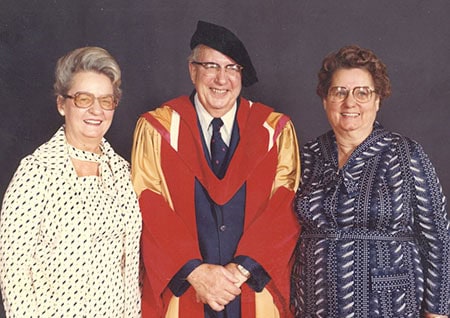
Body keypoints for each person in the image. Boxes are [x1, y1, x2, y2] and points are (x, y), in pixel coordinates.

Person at [131, 20, 300, 317]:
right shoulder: (158, 128)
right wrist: (196, 273)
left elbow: (285, 205)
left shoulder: (274, 130)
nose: (222, 79)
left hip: (251, 291)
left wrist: (241, 270)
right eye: (211, 66)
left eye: (232, 68)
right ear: (192, 70)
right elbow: (148, 202)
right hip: (185, 290)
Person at [291, 44, 450, 318]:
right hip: (314, 303)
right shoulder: (306, 156)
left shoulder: (405, 153)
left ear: (378, 101)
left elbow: (438, 238)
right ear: (325, 100)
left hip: (388, 304)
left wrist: (437, 312)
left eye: (362, 93)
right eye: (339, 92)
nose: (349, 102)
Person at [0, 46, 142, 317]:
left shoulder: (122, 171)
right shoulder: (36, 172)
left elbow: (130, 268)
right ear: (62, 104)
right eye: (83, 99)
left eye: (106, 100)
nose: (96, 110)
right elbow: (14, 275)